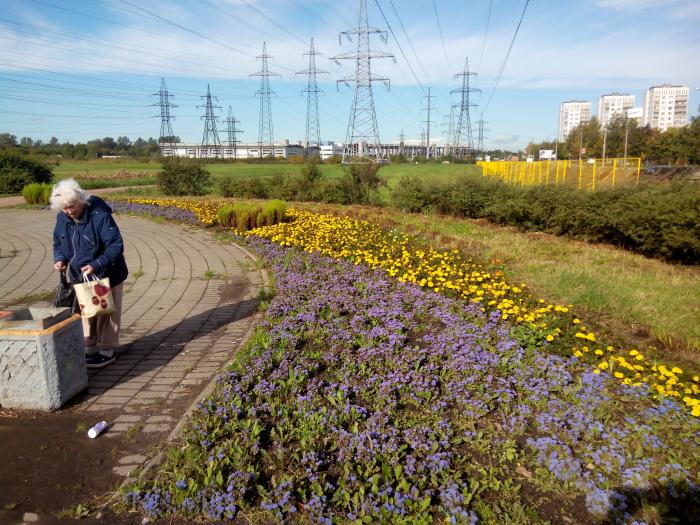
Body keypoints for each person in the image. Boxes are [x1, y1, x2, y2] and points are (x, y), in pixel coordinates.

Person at [50, 179, 128, 369]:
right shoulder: (63, 218)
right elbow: (58, 242)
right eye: (64, 208)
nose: (69, 211)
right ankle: (90, 348)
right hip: (80, 274)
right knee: (87, 313)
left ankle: (106, 351)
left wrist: (96, 264)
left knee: (106, 312)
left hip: (107, 272)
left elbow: (116, 245)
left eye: (72, 206)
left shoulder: (100, 215)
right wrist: (60, 259)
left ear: (81, 199)